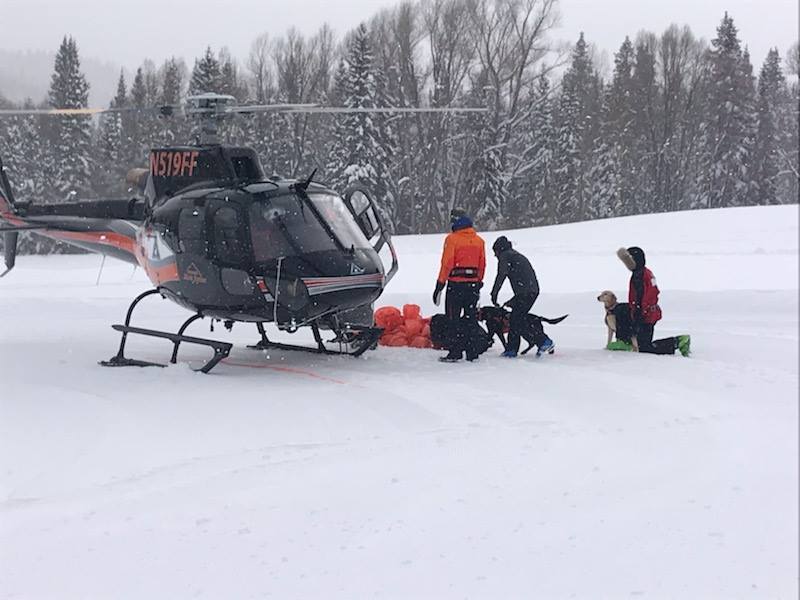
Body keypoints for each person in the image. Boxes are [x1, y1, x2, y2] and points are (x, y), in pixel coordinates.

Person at [433, 208, 486, 362]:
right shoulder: (479, 241)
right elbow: (483, 264)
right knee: (470, 319)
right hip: (473, 287)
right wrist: (478, 281)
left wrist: (439, 284)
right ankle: (472, 352)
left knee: (453, 319)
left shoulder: (452, 239)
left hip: (455, 286)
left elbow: (447, 263)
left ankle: (455, 352)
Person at [618, 246, 691, 356]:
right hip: (644, 312)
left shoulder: (643, 275)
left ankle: (677, 341)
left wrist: (641, 311)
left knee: (645, 347)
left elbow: (650, 295)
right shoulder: (639, 273)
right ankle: (627, 341)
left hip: (647, 315)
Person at [490, 236, 553, 358]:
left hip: (525, 292)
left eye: (495, 252)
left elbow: (501, 275)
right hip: (531, 290)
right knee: (518, 319)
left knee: (515, 320)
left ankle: (542, 342)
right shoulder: (515, 255)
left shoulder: (505, 256)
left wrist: (494, 293)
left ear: (498, 250)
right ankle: (515, 348)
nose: (495, 256)